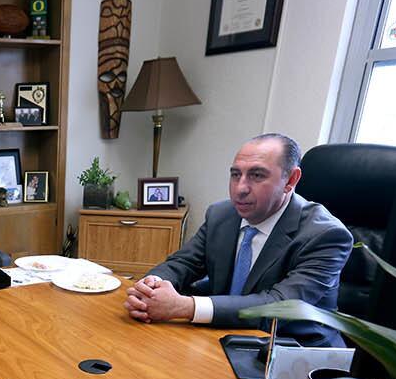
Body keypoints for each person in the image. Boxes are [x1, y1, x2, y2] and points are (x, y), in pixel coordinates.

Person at [124, 133, 353, 347]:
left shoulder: (326, 236)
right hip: (221, 338)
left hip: (292, 351)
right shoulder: (221, 215)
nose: (240, 188)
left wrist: (185, 306)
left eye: (257, 175)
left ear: (290, 180)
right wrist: (152, 286)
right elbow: (183, 263)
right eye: (236, 175)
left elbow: (280, 307)